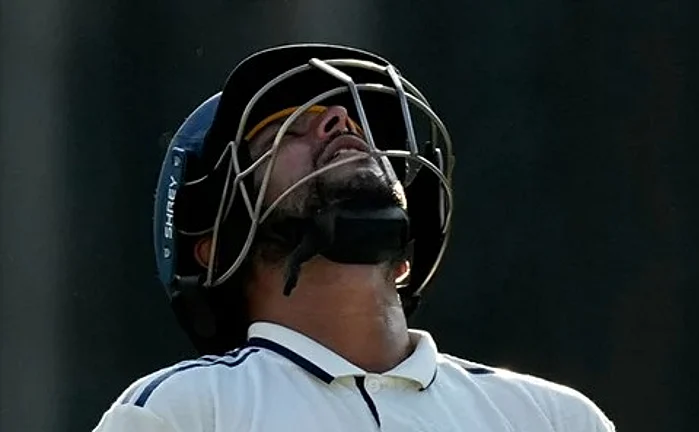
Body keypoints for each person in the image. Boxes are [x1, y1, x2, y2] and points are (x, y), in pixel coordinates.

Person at [92, 43, 616, 432]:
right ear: (218, 247)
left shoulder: (553, 419)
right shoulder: (183, 412)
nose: (342, 123)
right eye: (286, 132)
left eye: (358, 128)